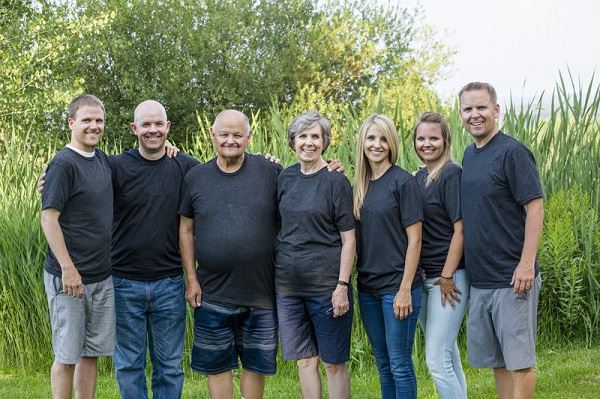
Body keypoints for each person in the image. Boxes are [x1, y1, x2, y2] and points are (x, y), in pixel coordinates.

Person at [178, 110, 281, 399]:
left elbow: (302, 191)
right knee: (217, 364)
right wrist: (191, 278)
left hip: (261, 293)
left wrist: (331, 167)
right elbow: (186, 229)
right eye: (224, 134)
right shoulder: (195, 177)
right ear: (213, 136)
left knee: (255, 365)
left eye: (237, 135)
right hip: (212, 292)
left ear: (248, 137)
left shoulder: (269, 171)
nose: (230, 140)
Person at [459, 82, 544, 399]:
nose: (475, 114)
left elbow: (535, 208)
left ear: (496, 110)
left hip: (513, 278)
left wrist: (526, 264)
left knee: (519, 363)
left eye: (481, 107)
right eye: (468, 109)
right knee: (498, 361)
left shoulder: (512, 152)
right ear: (461, 114)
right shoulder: (469, 155)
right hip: (482, 280)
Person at [109, 100, 199, 399]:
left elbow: (226, 172)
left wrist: (268, 163)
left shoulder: (185, 166)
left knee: (170, 366)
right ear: (134, 128)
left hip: (170, 283)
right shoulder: (116, 166)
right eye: (146, 125)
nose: (153, 130)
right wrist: (49, 178)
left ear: (168, 127)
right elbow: (81, 176)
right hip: (123, 283)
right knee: (128, 365)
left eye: (158, 124)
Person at [275, 110, 356, 399]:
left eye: (315, 136)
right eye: (302, 136)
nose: (308, 143)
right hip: (288, 288)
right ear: (293, 141)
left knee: (333, 363)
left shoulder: (336, 181)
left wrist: (342, 286)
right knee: (305, 360)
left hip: (327, 288)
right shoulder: (284, 178)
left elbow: (349, 240)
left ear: (325, 141)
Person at [41, 94, 115, 399]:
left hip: (101, 276)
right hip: (70, 278)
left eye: (98, 120)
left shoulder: (101, 161)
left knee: (90, 353)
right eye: (86, 120)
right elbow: (49, 219)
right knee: (67, 354)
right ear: (72, 123)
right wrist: (68, 269)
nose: (93, 126)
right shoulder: (63, 163)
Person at [353, 114, 423, 399]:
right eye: (371, 138)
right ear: (362, 142)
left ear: (391, 142)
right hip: (368, 288)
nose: (377, 145)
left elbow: (415, 239)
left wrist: (405, 289)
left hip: (398, 287)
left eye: (383, 138)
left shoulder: (403, 182)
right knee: (383, 363)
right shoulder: (359, 184)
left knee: (400, 363)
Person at [413, 112, 468, 399]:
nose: (427, 144)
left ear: (445, 140)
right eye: (421, 138)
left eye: (433, 138)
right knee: (448, 355)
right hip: (424, 279)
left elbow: (460, 231)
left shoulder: (450, 174)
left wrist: (447, 276)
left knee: (436, 360)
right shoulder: (419, 176)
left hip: (447, 279)